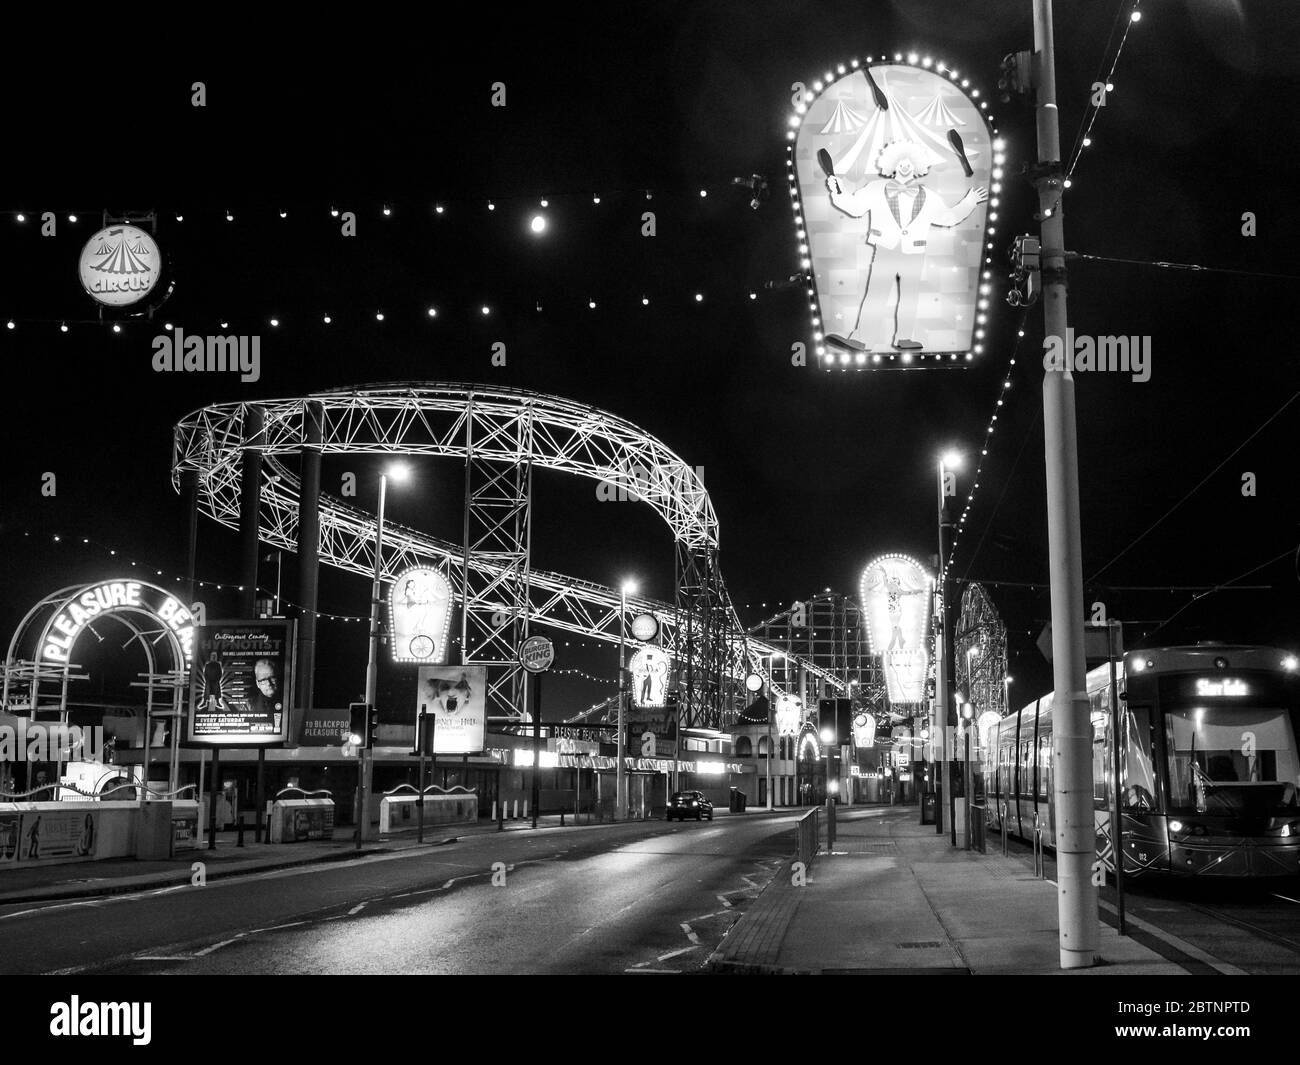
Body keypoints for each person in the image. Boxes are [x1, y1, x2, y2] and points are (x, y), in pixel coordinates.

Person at [825, 140, 987, 353]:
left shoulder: (929, 196)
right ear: (891, 164)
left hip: (914, 252)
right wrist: (839, 192)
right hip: (885, 249)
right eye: (900, 161)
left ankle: (905, 338)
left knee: (910, 297)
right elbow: (855, 208)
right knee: (876, 294)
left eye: (909, 162)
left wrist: (969, 202)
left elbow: (948, 217)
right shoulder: (875, 189)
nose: (905, 165)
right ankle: (862, 339)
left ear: (917, 166)